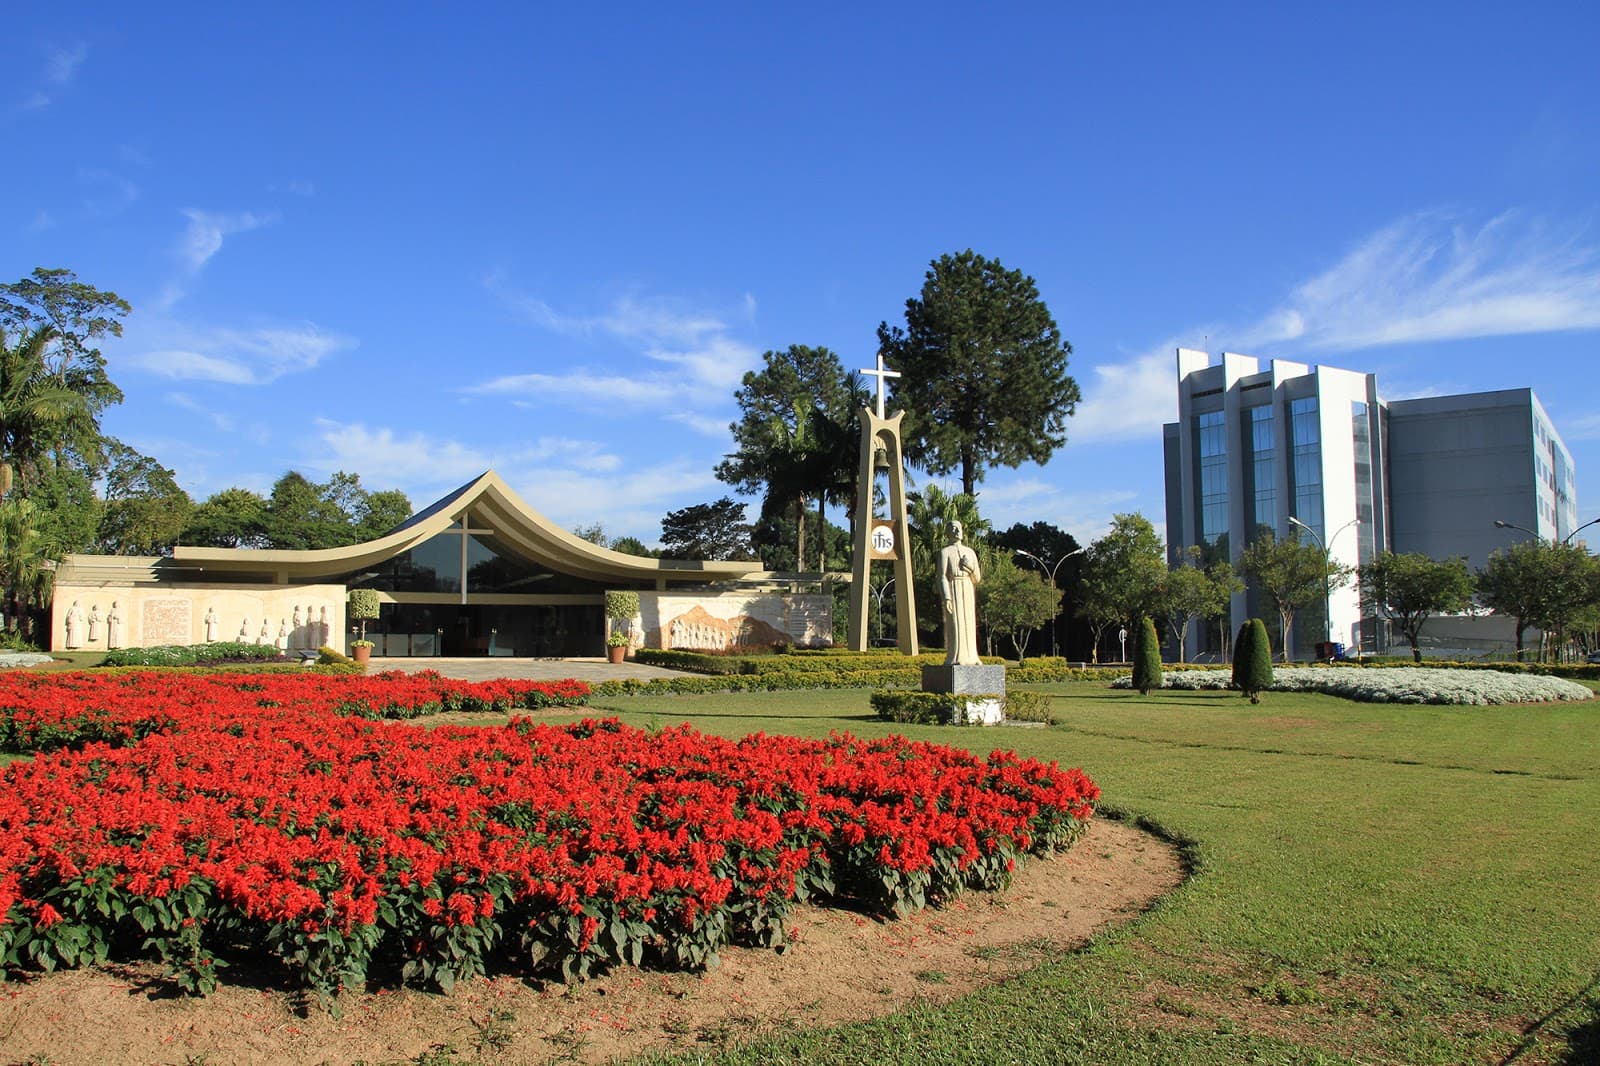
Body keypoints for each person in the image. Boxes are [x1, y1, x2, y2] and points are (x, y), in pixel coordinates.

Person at [938, 519, 983, 666]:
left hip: (968, 587)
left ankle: (972, 656)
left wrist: (969, 567)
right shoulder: (945, 552)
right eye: (954, 528)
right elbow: (942, 576)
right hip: (954, 587)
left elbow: (977, 578)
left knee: (969, 623)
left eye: (959, 528)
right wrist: (947, 598)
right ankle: (956, 657)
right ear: (948, 532)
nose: (958, 531)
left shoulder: (970, 552)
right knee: (956, 623)